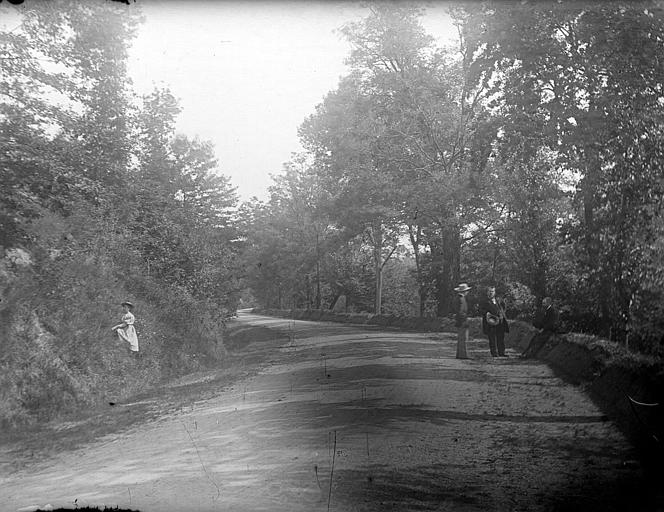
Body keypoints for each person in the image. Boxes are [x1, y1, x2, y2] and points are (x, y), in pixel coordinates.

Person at [481, 286, 509, 357]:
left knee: (501, 338)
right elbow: (481, 310)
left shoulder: (498, 300)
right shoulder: (484, 301)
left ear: (495, 292)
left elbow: (503, 308)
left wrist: (501, 315)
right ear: (487, 292)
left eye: (492, 291)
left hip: (500, 322)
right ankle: (494, 353)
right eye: (489, 291)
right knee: (492, 338)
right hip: (490, 322)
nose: (491, 293)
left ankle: (501, 353)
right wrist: (486, 313)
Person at [454, 283, 472, 359]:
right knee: (463, 338)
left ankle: (460, 354)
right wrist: (464, 319)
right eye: (467, 291)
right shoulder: (461, 299)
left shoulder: (458, 298)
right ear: (464, 291)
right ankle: (463, 355)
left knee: (461, 338)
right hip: (462, 320)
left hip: (460, 320)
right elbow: (461, 311)